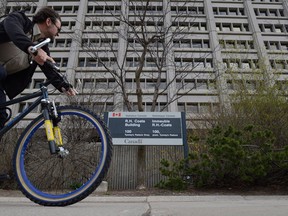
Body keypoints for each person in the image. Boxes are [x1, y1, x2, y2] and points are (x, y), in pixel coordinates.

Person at [0, 7, 77, 130]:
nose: (58, 33)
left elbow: (49, 69)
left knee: (2, 117)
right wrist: (32, 49)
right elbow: (13, 30)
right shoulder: (19, 20)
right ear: (48, 22)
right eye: (58, 29)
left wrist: (64, 85)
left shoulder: (41, 46)